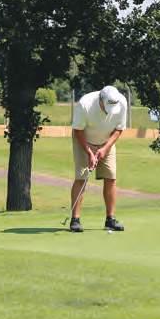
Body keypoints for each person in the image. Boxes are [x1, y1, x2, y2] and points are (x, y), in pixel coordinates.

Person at [69, 85, 127, 233]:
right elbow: (78, 130)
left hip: (106, 142)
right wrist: (89, 152)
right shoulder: (85, 104)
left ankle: (110, 219)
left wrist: (105, 148)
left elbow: (119, 129)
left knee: (111, 177)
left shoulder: (121, 103)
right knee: (81, 177)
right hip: (83, 140)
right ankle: (75, 220)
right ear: (100, 100)